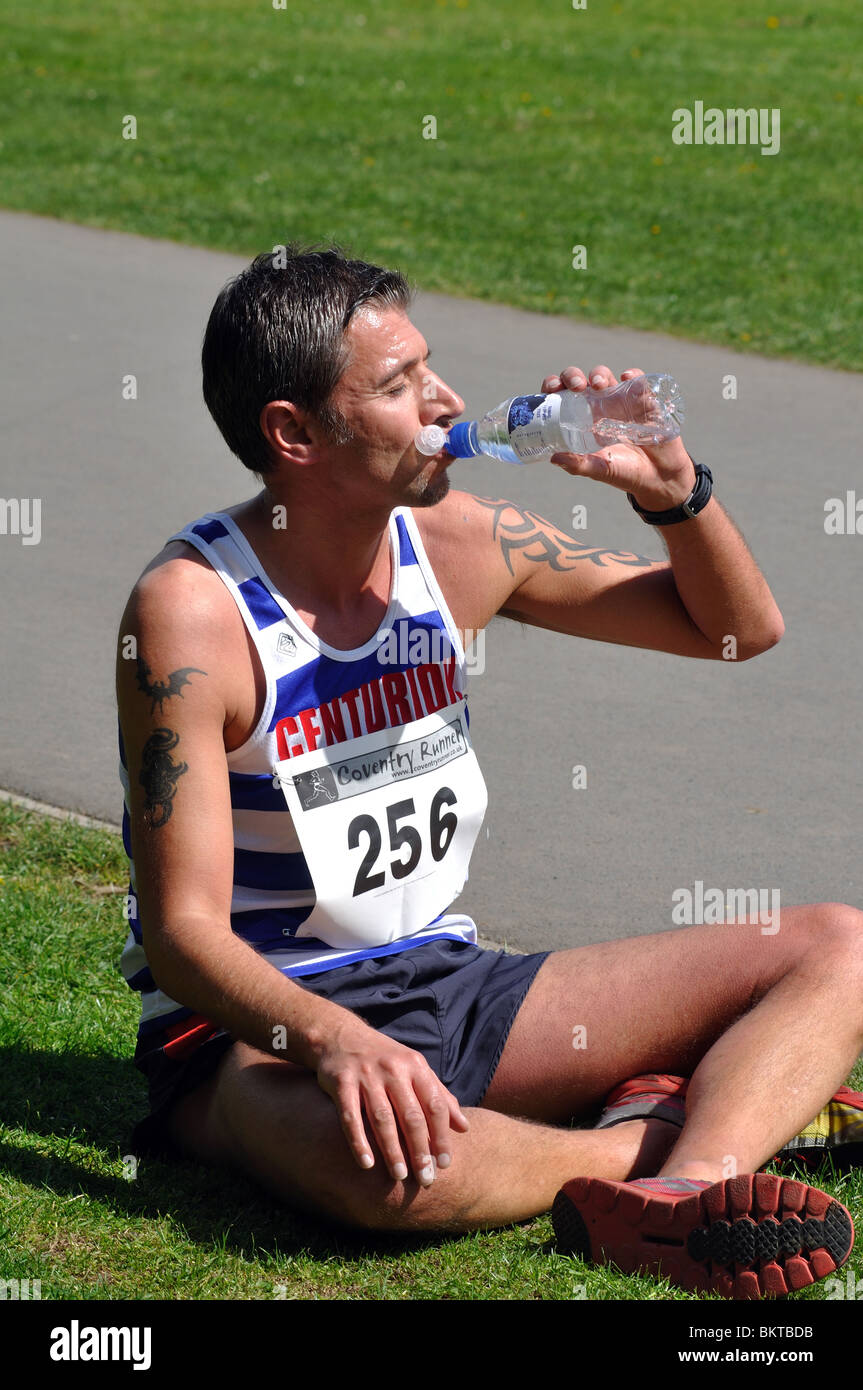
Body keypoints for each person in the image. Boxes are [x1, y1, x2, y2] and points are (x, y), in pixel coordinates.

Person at [115, 245, 862, 1300]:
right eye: (395, 385)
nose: (445, 401)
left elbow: (737, 631)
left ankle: (684, 1192)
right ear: (292, 434)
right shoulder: (193, 611)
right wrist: (335, 1045)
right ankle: (657, 1136)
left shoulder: (456, 541)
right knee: (393, 1175)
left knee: (841, 947)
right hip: (264, 1026)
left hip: (453, 984)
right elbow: (183, 933)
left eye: (429, 368)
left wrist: (673, 493)